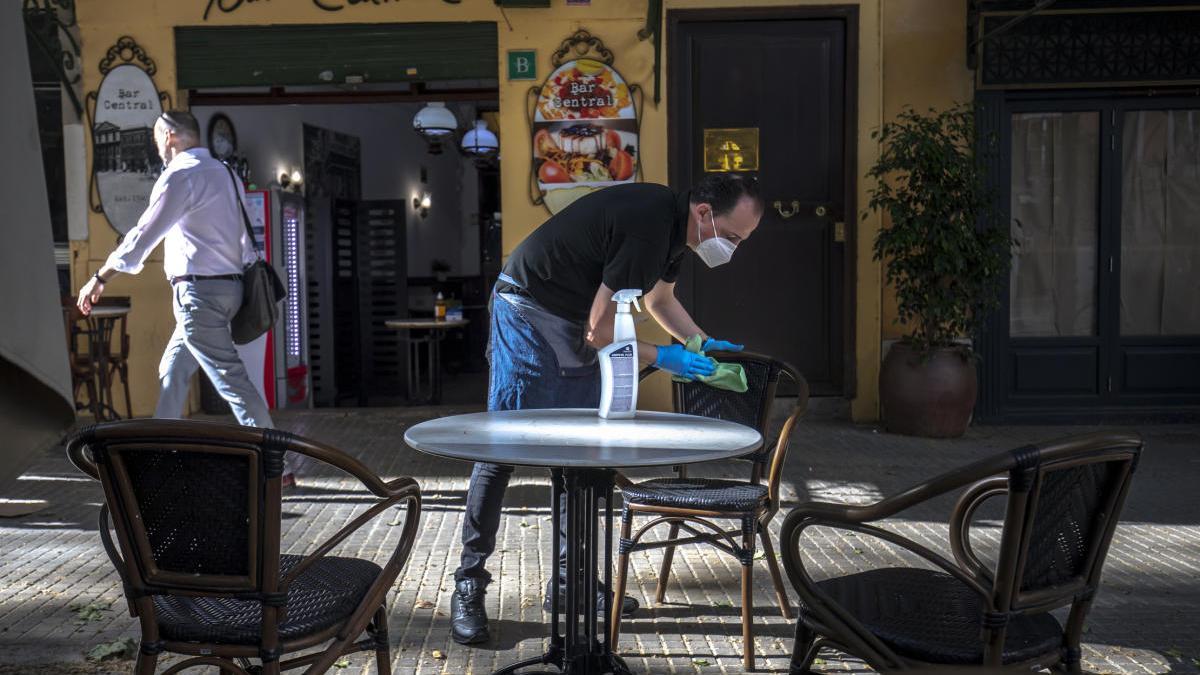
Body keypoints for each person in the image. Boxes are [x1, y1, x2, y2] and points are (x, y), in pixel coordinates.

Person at [451, 173, 764, 645]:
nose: (734, 248)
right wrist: (665, 356)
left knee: (579, 457)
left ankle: (569, 586)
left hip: (575, 315)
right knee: (502, 450)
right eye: (734, 236)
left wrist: (699, 341)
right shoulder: (648, 226)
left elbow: (660, 299)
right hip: (527, 309)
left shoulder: (675, 229)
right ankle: (468, 584)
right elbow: (601, 336)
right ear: (704, 213)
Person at [75, 111, 278, 453]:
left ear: (169, 136)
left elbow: (143, 236)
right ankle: (160, 451)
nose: (157, 147)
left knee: (231, 380)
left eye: (157, 139)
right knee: (172, 370)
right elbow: (244, 239)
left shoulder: (181, 176)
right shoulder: (227, 174)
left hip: (200, 294)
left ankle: (278, 461)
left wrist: (100, 276)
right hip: (230, 289)